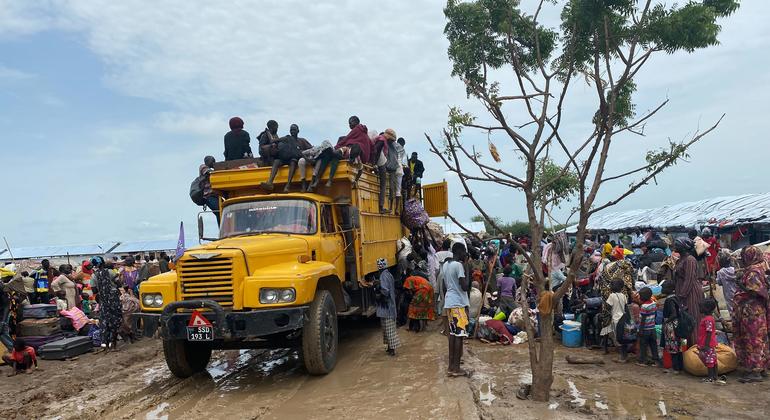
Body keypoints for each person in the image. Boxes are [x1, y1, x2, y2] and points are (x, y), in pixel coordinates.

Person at [733, 245, 769, 383]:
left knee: (752, 340)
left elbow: (754, 291)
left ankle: (755, 371)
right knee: (759, 339)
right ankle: (761, 367)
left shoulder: (753, 272)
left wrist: (740, 285)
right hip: (755, 312)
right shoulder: (759, 268)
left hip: (752, 313)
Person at [444, 242, 470, 377]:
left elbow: (445, 285)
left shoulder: (446, 265)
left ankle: (451, 367)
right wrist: (466, 266)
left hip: (449, 302)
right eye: (464, 251)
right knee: (459, 336)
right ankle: (457, 368)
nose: (465, 253)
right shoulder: (459, 265)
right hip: (458, 304)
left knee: (453, 335)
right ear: (460, 251)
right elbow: (465, 286)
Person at [673, 238, 703, 345]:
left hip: (691, 293)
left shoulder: (690, 260)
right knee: (684, 320)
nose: (674, 246)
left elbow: (689, 279)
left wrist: (681, 295)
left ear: (684, 246)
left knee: (692, 318)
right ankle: (688, 346)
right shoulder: (679, 260)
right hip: (682, 292)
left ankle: (695, 346)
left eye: (677, 244)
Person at [92, 257, 122, 351]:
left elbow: (94, 290)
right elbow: (119, 283)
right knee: (115, 320)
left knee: (105, 321)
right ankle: (114, 344)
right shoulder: (111, 272)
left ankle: (105, 344)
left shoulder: (94, 276)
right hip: (113, 300)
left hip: (103, 300)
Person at [374, 258, 400, 356]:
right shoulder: (389, 274)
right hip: (390, 306)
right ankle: (390, 347)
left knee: (388, 329)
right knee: (388, 328)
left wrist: (377, 287)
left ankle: (392, 349)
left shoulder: (383, 276)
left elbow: (385, 291)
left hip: (387, 307)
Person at [660, 280, 684, 374]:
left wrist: (666, 322)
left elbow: (673, 314)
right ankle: (680, 367)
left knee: (672, 347)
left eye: (663, 287)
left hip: (671, 326)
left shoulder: (669, 300)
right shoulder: (675, 297)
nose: (662, 289)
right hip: (678, 325)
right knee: (679, 347)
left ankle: (675, 368)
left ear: (669, 289)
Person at [403, 264, 435, 333]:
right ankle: (424, 326)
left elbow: (408, 291)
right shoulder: (416, 277)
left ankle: (411, 327)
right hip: (429, 288)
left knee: (412, 308)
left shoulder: (408, 279)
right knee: (424, 308)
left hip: (423, 290)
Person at [698, 298, 722, 384]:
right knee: (713, 360)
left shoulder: (707, 319)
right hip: (709, 343)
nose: (699, 308)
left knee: (709, 361)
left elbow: (709, 332)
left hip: (708, 344)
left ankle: (710, 377)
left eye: (701, 307)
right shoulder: (709, 318)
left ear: (706, 309)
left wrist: (706, 345)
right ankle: (715, 376)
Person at [637, 287, 661, 367]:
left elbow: (643, 319)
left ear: (642, 297)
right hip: (652, 328)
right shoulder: (653, 303)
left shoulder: (644, 306)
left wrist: (640, 330)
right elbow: (655, 314)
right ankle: (656, 360)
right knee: (653, 345)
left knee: (643, 345)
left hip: (645, 329)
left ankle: (643, 361)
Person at [606, 279, 628, 362]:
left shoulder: (612, 296)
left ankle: (622, 357)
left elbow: (608, 306)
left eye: (611, 285)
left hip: (616, 320)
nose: (610, 287)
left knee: (618, 339)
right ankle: (624, 355)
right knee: (623, 338)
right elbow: (626, 307)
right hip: (623, 319)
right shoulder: (624, 296)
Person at [715, 253, 737, 320]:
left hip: (728, 293)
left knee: (731, 308)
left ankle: (734, 322)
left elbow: (719, 282)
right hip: (737, 291)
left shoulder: (720, 272)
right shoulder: (734, 270)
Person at [199, 155, 220, 224]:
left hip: (215, 196)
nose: (214, 162)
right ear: (208, 161)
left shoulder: (210, 169)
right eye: (213, 161)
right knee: (219, 211)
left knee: (222, 212)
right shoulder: (203, 167)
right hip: (209, 196)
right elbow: (210, 173)